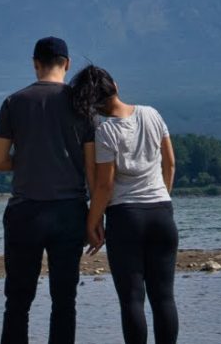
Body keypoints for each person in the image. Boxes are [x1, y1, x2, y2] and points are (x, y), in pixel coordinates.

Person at [0, 36, 95, 344]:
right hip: (69, 211)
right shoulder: (81, 104)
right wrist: (94, 218)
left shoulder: (14, 102)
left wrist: (25, 160)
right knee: (64, 300)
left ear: (35, 64)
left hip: (25, 212)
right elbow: (92, 169)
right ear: (67, 64)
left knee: (18, 301)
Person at [70, 64, 178, 344]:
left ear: (91, 105)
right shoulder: (151, 113)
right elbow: (170, 163)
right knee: (164, 296)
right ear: (115, 86)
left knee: (132, 299)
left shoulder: (106, 132)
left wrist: (92, 222)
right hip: (162, 213)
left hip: (126, 217)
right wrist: (161, 196)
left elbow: (105, 186)